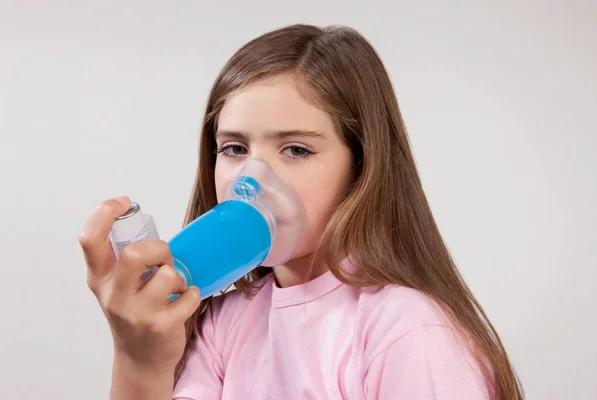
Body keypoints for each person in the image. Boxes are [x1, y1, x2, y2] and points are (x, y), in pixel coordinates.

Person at [79, 24, 524, 399]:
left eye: (295, 149)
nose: (250, 179)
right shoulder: (222, 323)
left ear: (363, 167)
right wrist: (139, 360)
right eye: (234, 148)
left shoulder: (406, 330)